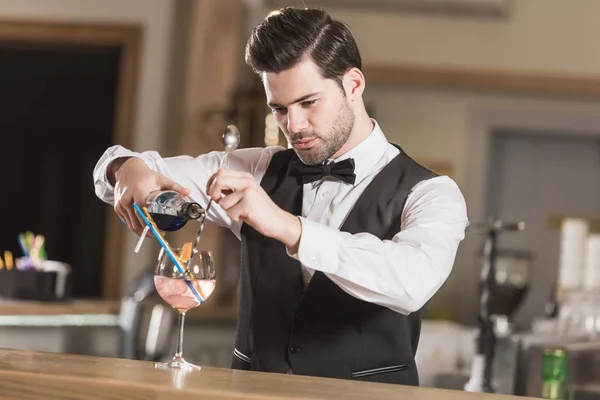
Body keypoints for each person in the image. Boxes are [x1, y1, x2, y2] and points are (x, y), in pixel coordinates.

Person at [94, 7, 468, 385]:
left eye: (308, 103)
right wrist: (125, 168)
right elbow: (124, 168)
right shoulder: (257, 168)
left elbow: (411, 282)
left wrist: (289, 227)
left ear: (353, 85)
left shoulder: (432, 193)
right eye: (279, 109)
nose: (294, 126)